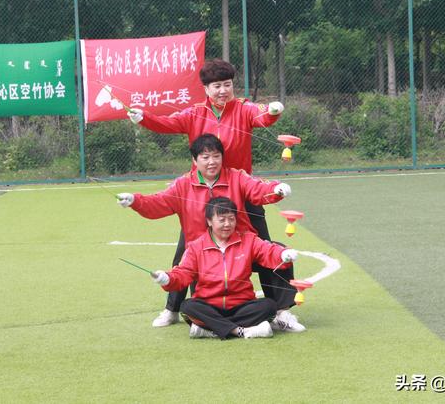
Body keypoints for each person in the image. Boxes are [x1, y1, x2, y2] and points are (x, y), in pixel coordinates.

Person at [127, 59, 299, 328]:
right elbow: (166, 123)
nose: (223, 91)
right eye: (216, 86)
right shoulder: (194, 113)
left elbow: (262, 115)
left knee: (266, 248)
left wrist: (273, 112)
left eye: (227, 85)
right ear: (206, 89)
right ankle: (172, 309)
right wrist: (144, 118)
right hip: (202, 194)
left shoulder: (243, 108)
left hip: (242, 190)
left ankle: (281, 311)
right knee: (187, 250)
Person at [117, 134, 305, 332]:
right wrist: (135, 201)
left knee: (277, 254)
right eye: (205, 157)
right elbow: (159, 203)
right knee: (186, 281)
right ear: (194, 160)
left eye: (216, 156)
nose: (211, 162)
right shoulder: (183, 184)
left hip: (241, 248)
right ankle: (173, 311)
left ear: (222, 157)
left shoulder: (236, 177)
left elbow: (257, 189)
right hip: (202, 252)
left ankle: (282, 313)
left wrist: (277, 190)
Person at [150, 197, 299, 339]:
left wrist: (283, 254)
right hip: (209, 305)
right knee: (187, 306)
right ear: (209, 221)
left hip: (242, 305)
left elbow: (268, 251)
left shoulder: (248, 239)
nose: (227, 224)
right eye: (222, 220)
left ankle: (211, 330)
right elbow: (183, 274)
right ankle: (241, 331)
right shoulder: (196, 247)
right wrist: (167, 279)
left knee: (269, 306)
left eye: (231, 219)